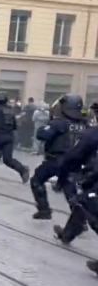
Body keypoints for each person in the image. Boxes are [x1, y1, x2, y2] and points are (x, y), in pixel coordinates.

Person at [52, 101, 98, 277]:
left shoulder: (93, 135)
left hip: (94, 179)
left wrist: (63, 172)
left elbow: (73, 156)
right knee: (82, 203)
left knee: (91, 208)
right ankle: (68, 234)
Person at [30, 95, 86, 220]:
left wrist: (48, 124)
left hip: (57, 159)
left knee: (37, 180)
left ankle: (44, 210)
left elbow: (42, 134)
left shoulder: (60, 123)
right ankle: (80, 220)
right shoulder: (83, 125)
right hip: (75, 162)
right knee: (70, 191)